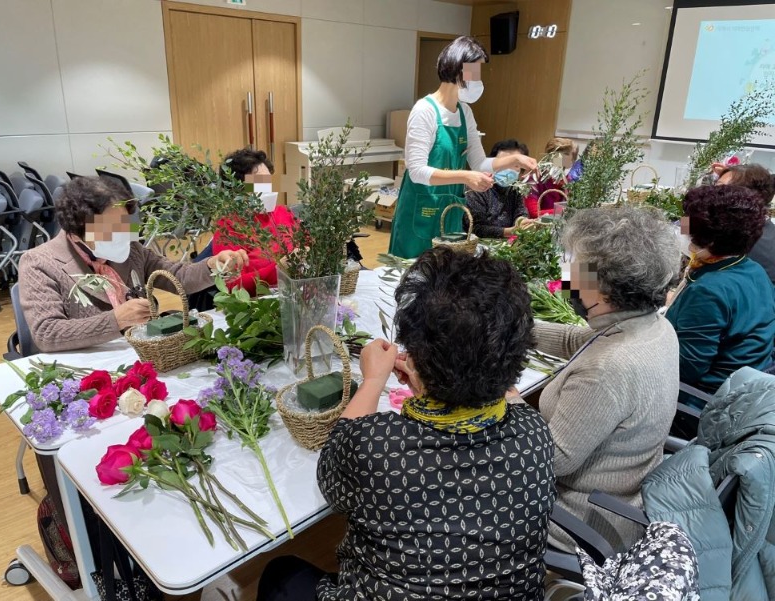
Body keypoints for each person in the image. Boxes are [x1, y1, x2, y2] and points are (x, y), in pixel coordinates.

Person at [257, 247, 556, 601]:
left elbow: (332, 472)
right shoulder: (533, 433)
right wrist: (444, 375)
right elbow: (507, 394)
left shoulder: (379, 445)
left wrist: (372, 381)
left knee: (281, 573)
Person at [531, 207, 681, 551]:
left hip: (579, 518)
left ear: (606, 290)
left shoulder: (608, 369)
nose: (567, 275)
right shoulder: (653, 326)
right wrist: (517, 329)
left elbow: (551, 459)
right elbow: (579, 341)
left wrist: (507, 400)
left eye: (575, 268)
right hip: (623, 495)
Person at [18, 176, 249, 353]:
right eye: (109, 229)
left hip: (138, 355)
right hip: (88, 364)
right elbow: (47, 333)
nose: (122, 234)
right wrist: (116, 320)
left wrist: (213, 266)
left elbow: (177, 276)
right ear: (76, 233)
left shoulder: (133, 250)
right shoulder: (40, 264)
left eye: (124, 223)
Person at [388, 36, 537, 259]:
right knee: (414, 275)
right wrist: (467, 177)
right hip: (422, 208)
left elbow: (479, 162)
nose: (478, 80)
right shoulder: (424, 111)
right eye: (474, 71)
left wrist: (515, 160)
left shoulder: (465, 112)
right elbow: (416, 171)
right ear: (457, 68)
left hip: (450, 210)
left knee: (445, 273)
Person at [667, 185, 775, 403]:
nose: (680, 228)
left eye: (686, 223)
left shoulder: (708, 291)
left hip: (700, 404)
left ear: (711, 239)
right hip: (746, 393)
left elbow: (685, 368)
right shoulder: (753, 269)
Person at [209, 148, 298, 295]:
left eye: (267, 181)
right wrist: (279, 269)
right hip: (259, 302)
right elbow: (232, 286)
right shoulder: (229, 226)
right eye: (258, 184)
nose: (266, 189)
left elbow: (309, 244)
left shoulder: (283, 213)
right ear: (237, 189)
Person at [715, 163, 775, 284]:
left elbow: (687, 236)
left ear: (744, 197)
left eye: (720, 189)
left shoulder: (738, 236)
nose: (710, 193)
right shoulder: (764, 226)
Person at [464, 139, 536, 238]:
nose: (508, 168)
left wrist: (522, 222)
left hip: (506, 244)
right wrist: (510, 231)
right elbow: (475, 228)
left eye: (515, 165)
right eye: (504, 163)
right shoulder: (478, 187)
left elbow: (520, 212)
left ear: (521, 171)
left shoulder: (515, 187)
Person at [524, 137, 578, 218]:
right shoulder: (534, 179)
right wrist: (563, 211)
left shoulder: (568, 181)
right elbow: (534, 213)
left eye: (567, 154)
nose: (571, 158)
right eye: (558, 153)